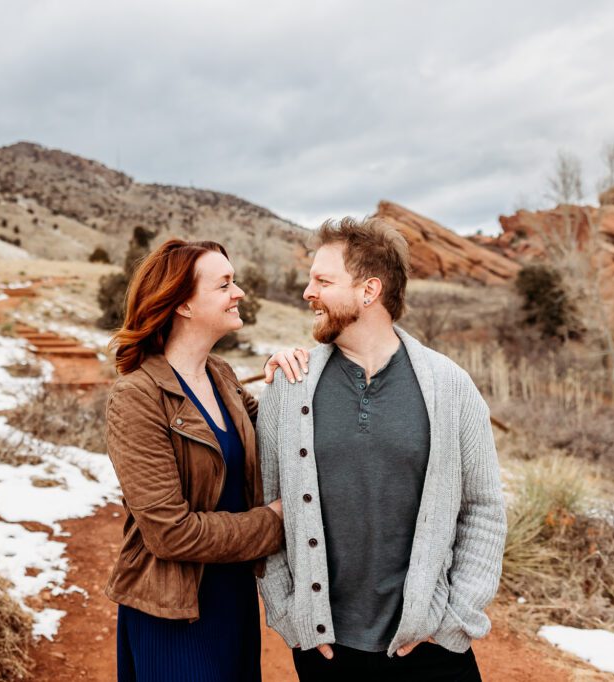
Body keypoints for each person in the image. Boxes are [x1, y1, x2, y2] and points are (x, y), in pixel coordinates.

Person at [258, 217, 507, 682]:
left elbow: (484, 509)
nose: (307, 292)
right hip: (326, 649)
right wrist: (290, 614)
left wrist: (455, 618)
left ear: (369, 291)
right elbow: (269, 508)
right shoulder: (290, 388)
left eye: (322, 280)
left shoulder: (450, 387)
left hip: (430, 647)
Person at [105, 238, 303, 682]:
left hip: (232, 598)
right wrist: (275, 521)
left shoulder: (221, 375)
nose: (240, 293)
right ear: (183, 304)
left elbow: (274, 437)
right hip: (171, 610)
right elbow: (169, 533)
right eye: (225, 284)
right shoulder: (136, 396)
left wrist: (293, 377)